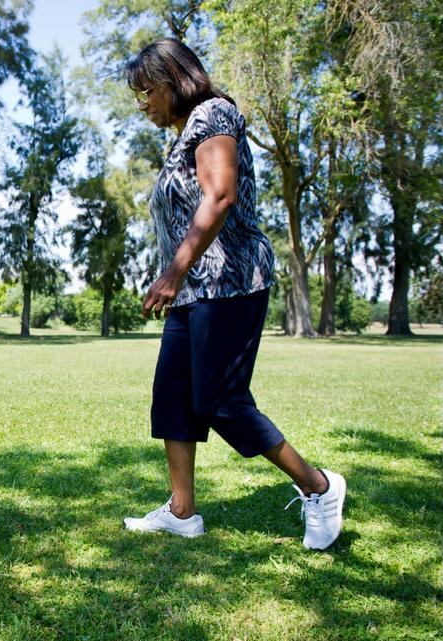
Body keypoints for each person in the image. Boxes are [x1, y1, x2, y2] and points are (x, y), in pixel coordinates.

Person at [121, 38, 346, 550]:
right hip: (192, 290)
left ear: (173, 80)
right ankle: (181, 511)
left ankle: (319, 486)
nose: (144, 104)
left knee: (220, 400)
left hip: (228, 283)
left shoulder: (213, 114)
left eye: (147, 91)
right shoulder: (182, 137)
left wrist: (174, 270)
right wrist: (177, 279)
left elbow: (220, 195)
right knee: (173, 398)